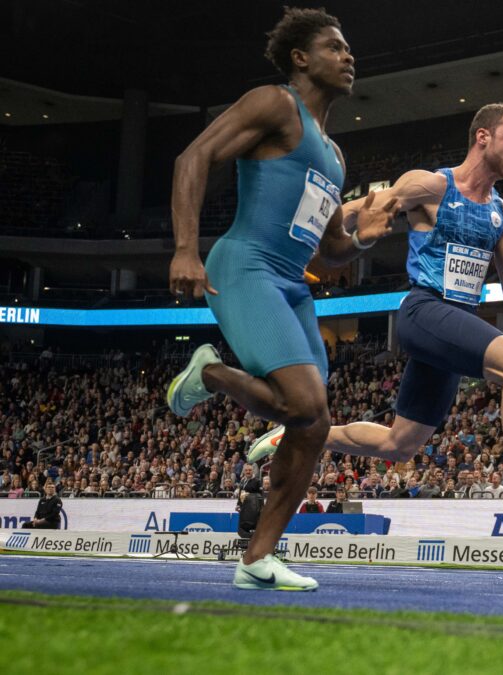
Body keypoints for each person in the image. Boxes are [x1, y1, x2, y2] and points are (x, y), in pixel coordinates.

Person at [247, 102, 503, 535]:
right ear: (482, 137)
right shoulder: (431, 186)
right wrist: (302, 231)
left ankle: (299, 432)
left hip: (451, 330)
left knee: (400, 444)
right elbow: (360, 209)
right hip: (423, 310)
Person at [166, 7, 396, 591]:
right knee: (300, 404)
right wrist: (186, 249)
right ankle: (211, 371)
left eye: (349, 50)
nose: (350, 58)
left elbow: (330, 250)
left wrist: (361, 239)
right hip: (245, 265)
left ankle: (257, 560)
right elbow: (191, 157)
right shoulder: (274, 104)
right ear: (301, 58)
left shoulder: (336, 156)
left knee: (313, 423)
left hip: (293, 284)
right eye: (335, 47)